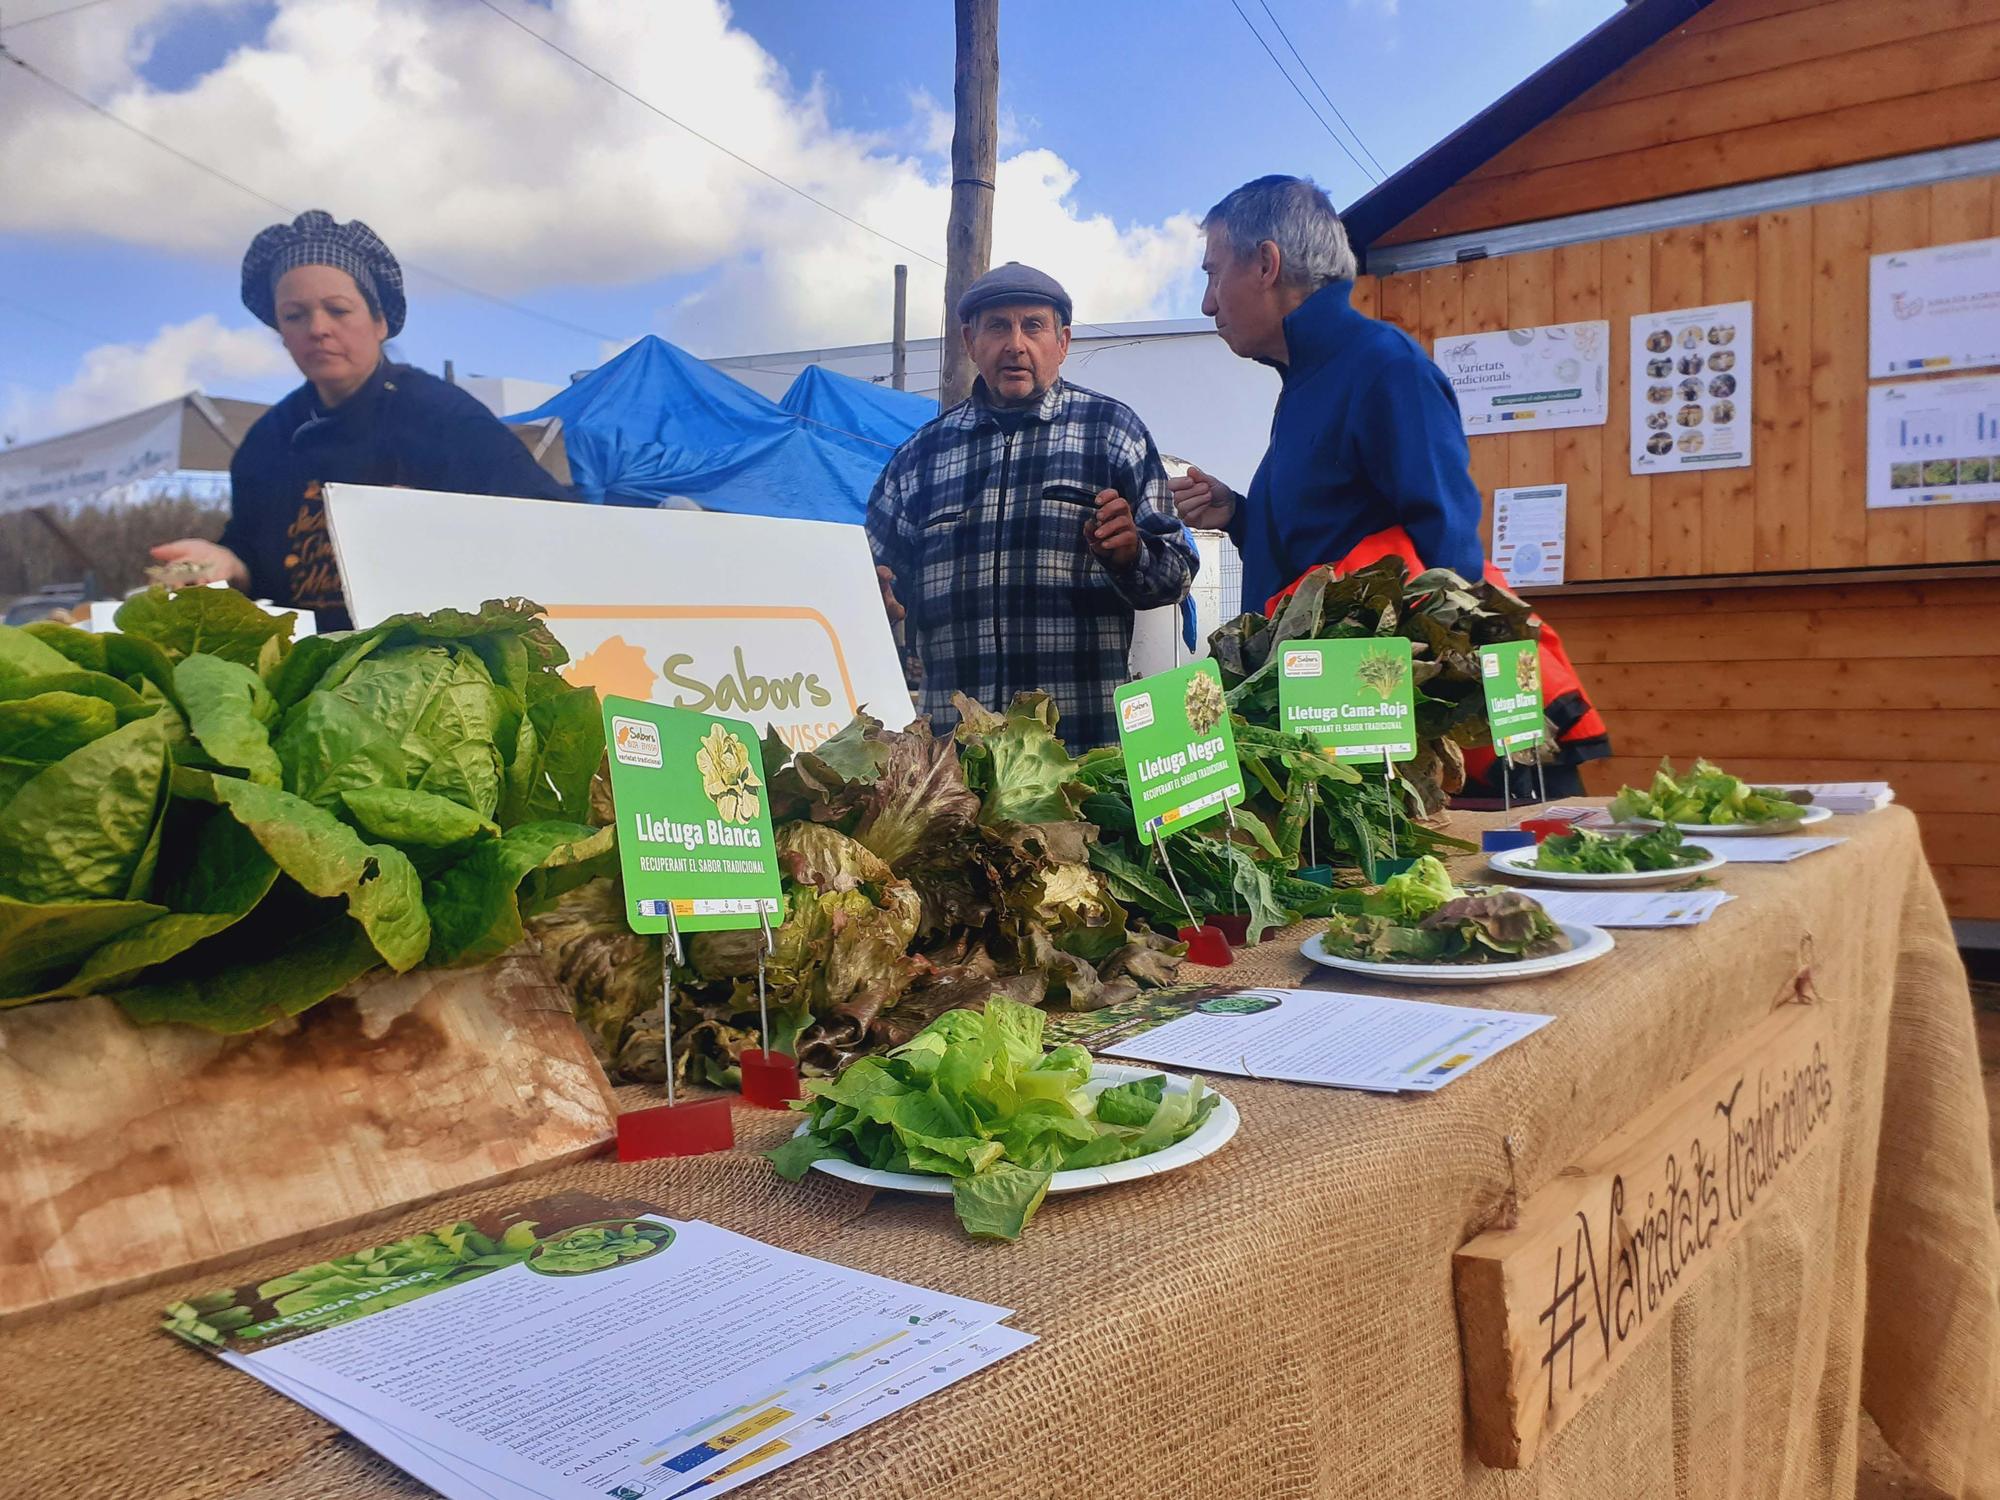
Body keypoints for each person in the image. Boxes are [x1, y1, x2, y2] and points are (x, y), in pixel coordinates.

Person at [151, 210, 571, 631]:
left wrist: (445, 526)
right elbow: (251, 551)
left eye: (337, 309)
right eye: (295, 315)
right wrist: (226, 561)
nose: (317, 329)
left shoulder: (444, 418)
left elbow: (550, 522)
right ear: (280, 331)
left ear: (380, 321)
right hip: (304, 673)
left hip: (431, 665)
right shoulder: (266, 441)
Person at [868, 262, 1196, 750]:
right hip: (955, 762)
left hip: (1078, 754)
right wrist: (880, 599)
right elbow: (874, 579)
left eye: (1033, 326)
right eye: (998, 326)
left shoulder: (1111, 433)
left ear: (1062, 343)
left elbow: (1177, 573)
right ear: (969, 341)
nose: (1015, 344)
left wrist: (1133, 557)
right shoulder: (919, 457)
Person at [1170, 174, 1484, 614]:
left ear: (1265, 264)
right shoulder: (1307, 378)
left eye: (1214, 275)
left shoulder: (1385, 369)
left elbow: (1450, 561)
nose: (1208, 303)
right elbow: (1325, 542)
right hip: (1311, 678)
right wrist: (1239, 517)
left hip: (1365, 682)